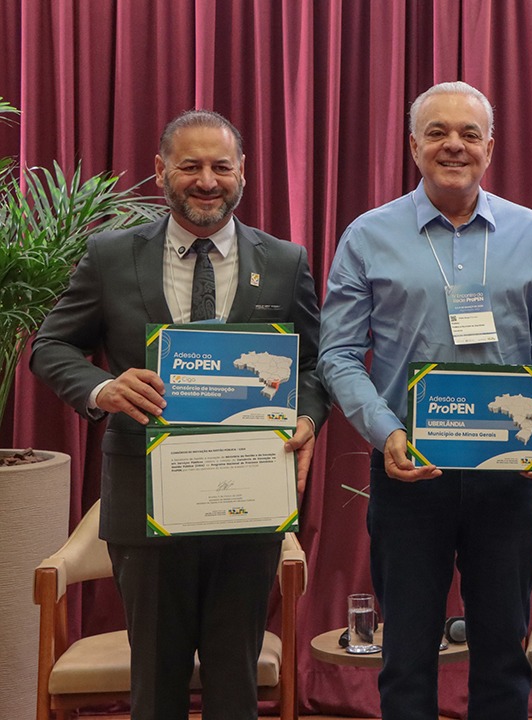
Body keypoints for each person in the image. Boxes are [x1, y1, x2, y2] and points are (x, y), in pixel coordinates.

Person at [29, 110, 328, 720]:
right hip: (145, 503)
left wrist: (309, 419)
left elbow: (317, 368)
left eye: (221, 166)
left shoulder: (283, 261)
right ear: (160, 170)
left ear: (243, 172)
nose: (207, 180)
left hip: (247, 498)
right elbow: (49, 346)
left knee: (233, 684)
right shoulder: (111, 255)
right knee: (156, 687)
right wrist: (103, 387)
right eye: (190, 165)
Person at [317, 81, 532, 720]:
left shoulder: (530, 232)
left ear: (491, 145)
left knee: (502, 654)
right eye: (436, 132)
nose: (453, 144)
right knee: (405, 656)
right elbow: (338, 354)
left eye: (468, 133)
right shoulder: (368, 235)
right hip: (410, 471)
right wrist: (384, 433)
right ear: (413, 146)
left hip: (506, 474)